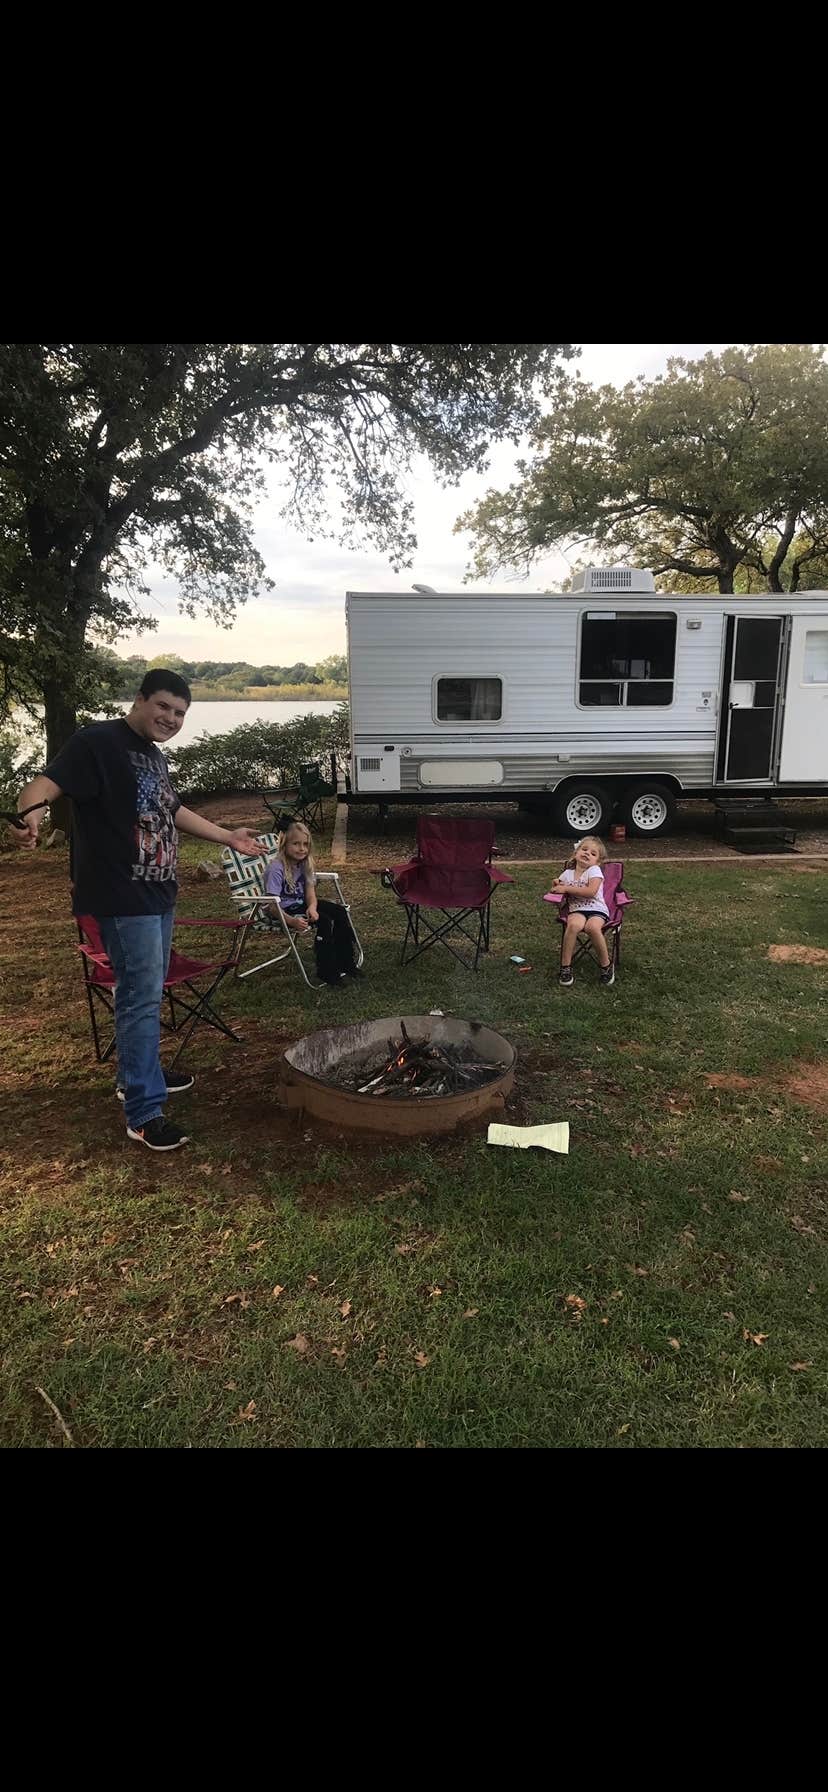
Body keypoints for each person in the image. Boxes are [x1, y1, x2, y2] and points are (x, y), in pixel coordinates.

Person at [11, 670, 265, 1151]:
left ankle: (138, 1073)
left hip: (158, 894)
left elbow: (172, 811)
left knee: (144, 994)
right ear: (141, 699)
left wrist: (227, 836)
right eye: (164, 707)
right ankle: (144, 1112)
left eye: (180, 714)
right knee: (140, 999)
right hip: (121, 898)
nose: (171, 718)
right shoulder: (97, 742)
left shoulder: (153, 756)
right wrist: (30, 816)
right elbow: (44, 785)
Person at [263, 820, 359, 984]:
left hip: (302, 903)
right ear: (284, 844)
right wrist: (291, 921)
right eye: (296, 844)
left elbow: (310, 892)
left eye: (305, 844)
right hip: (283, 910)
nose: (302, 849)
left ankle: (346, 962)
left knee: (340, 912)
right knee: (325, 921)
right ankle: (327, 971)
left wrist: (313, 907)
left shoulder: (305, 864)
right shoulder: (276, 868)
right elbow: (271, 905)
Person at [547, 836, 615, 988]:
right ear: (576, 853)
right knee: (573, 926)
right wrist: (557, 884)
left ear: (597, 861)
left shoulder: (594, 871)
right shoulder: (567, 874)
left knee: (592, 927)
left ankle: (606, 965)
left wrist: (566, 888)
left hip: (596, 908)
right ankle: (565, 967)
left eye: (593, 853)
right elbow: (559, 887)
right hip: (577, 908)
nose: (587, 854)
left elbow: (591, 891)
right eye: (584, 850)